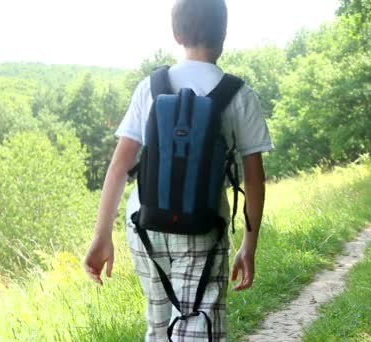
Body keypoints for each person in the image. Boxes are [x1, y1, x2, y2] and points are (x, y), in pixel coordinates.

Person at [83, 0, 273, 340]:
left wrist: (102, 236)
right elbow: (254, 180)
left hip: (145, 226)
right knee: (197, 325)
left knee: (158, 325)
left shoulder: (151, 87)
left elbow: (118, 166)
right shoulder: (239, 94)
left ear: (176, 33)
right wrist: (249, 245)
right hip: (202, 227)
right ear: (224, 35)